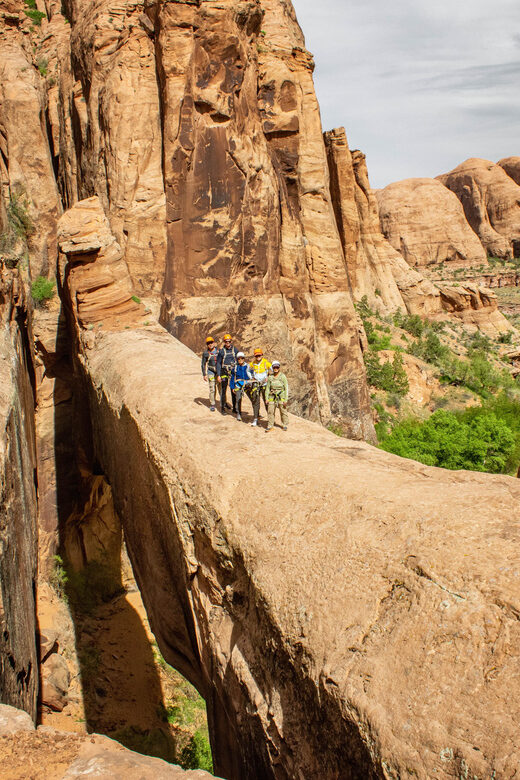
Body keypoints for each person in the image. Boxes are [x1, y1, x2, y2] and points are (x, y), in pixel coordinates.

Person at [248, 348, 271, 427]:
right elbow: (248, 370)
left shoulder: (266, 363)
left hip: (264, 385)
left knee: (266, 401)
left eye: (259, 355)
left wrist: (269, 377)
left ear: (262, 355)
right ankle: (255, 418)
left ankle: (270, 419)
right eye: (256, 355)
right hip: (256, 384)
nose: (258, 357)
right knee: (256, 401)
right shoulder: (253, 363)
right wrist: (251, 377)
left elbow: (273, 370)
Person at [217, 334, 239, 414]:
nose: (228, 343)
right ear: (224, 342)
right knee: (223, 390)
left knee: (233, 390)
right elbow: (219, 363)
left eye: (229, 341)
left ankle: (234, 408)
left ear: (231, 341)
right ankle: (222, 409)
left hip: (233, 373)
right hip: (224, 372)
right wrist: (219, 375)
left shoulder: (235, 350)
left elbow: (239, 360)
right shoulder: (222, 351)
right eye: (226, 342)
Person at [265, 360, 289, 431]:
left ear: (279, 367)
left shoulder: (283, 376)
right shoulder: (270, 377)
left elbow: (286, 388)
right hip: (272, 396)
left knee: (283, 411)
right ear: (272, 367)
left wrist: (285, 399)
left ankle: (284, 424)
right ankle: (270, 425)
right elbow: (267, 388)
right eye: (274, 367)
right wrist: (267, 398)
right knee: (270, 411)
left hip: (281, 396)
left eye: (277, 367)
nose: (276, 368)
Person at [230, 352, 252, 421]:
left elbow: (252, 375)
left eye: (242, 358)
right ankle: (239, 413)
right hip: (238, 384)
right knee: (238, 399)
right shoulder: (235, 368)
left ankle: (256, 413)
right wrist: (232, 387)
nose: (240, 360)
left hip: (247, 384)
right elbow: (232, 378)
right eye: (239, 358)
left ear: (244, 358)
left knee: (253, 398)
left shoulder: (248, 366)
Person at [201, 336, 219, 411]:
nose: (210, 344)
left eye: (211, 342)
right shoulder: (205, 353)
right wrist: (204, 374)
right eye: (208, 343)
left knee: (220, 388)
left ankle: (223, 403)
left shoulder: (219, 351)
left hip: (218, 372)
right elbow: (203, 364)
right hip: (211, 372)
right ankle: (212, 404)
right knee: (212, 388)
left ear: (214, 343)